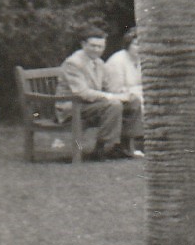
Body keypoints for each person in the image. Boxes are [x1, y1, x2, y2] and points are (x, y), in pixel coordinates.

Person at [57, 25, 144, 160]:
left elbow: (106, 87)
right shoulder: (73, 63)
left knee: (133, 101)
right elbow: (82, 93)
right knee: (113, 105)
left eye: (100, 46)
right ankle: (101, 148)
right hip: (72, 106)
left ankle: (122, 146)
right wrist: (111, 97)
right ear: (83, 44)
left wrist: (124, 95)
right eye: (93, 46)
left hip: (92, 105)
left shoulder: (99, 62)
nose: (97, 50)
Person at [105, 26, 145, 156]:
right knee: (139, 101)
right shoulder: (117, 61)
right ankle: (132, 143)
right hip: (116, 99)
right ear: (128, 44)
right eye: (136, 44)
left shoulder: (141, 61)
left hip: (134, 96)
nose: (140, 48)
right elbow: (115, 89)